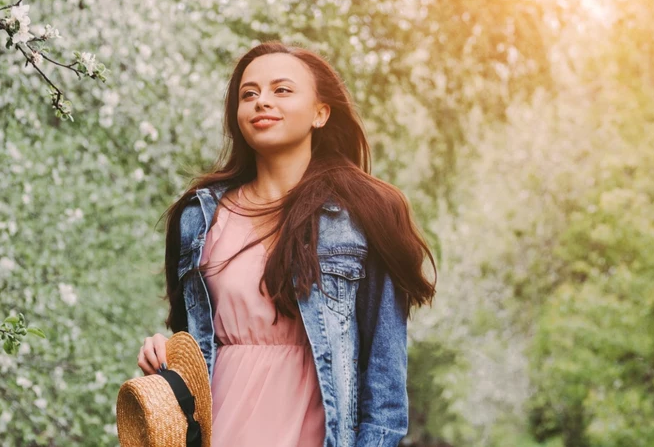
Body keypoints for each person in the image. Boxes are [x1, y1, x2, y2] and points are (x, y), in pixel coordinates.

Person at [137, 41, 437, 447]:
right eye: (249, 94)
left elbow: (385, 390)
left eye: (281, 90)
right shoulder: (199, 216)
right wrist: (164, 353)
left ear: (320, 113)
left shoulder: (367, 212)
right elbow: (195, 345)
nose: (262, 101)